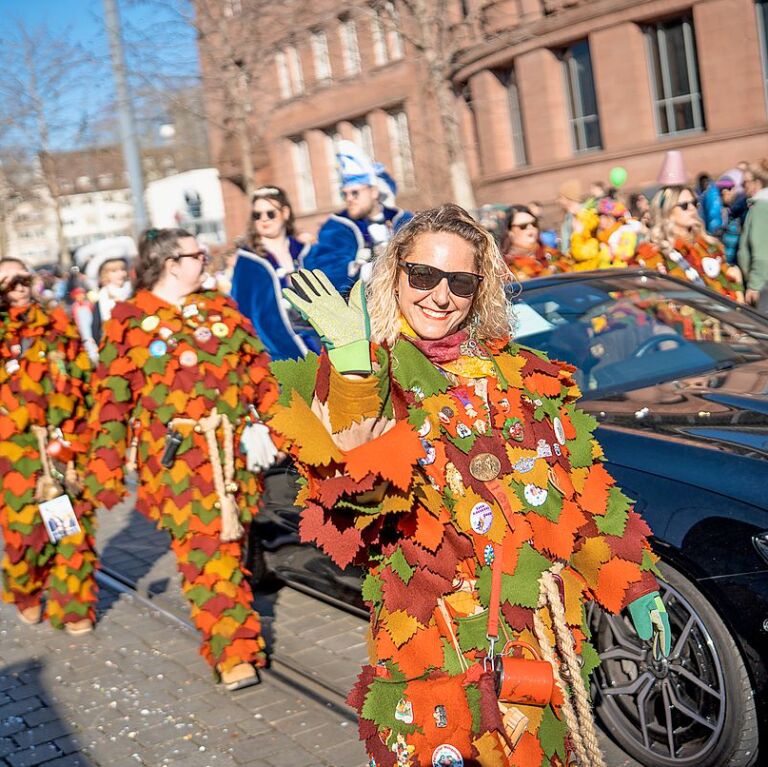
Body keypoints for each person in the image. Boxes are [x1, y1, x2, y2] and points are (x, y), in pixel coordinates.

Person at [274, 204, 671, 767]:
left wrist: (633, 583)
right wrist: (353, 369)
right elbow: (355, 496)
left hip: (527, 633)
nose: (441, 296)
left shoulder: (521, 376)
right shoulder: (361, 374)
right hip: (430, 637)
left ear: (480, 290)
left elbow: (579, 495)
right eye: (423, 276)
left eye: (461, 281)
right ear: (394, 275)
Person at [84, 228, 279, 691]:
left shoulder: (220, 308)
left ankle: (239, 640)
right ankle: (232, 653)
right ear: (171, 262)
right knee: (204, 554)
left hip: (232, 459)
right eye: (198, 254)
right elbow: (112, 402)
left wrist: (285, 424)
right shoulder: (128, 321)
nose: (206, 261)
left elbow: (259, 373)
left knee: (230, 551)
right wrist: (105, 466)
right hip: (178, 464)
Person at [0, 258, 99, 632]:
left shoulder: (56, 322)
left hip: (61, 445)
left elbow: (83, 379)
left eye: (23, 278)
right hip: (16, 450)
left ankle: (72, 608)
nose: (18, 286)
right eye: (7, 281)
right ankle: (26, 591)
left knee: (68, 531)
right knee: (26, 536)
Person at [306, 140, 412, 295]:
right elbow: (329, 275)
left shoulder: (403, 219)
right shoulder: (336, 227)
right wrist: (373, 268)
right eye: (345, 194)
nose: (349, 198)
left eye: (355, 193)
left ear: (374, 191)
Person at [231, 185, 320, 360]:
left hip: (317, 340)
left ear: (285, 213)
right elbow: (241, 310)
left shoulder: (305, 251)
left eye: (270, 213)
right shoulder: (249, 260)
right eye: (257, 215)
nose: (264, 219)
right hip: (275, 349)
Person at [633, 185, 743, 301]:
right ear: (667, 211)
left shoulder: (708, 245)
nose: (692, 209)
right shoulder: (652, 254)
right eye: (684, 206)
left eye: (694, 203)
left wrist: (736, 283)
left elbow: (730, 287)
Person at [75, 239, 135, 362]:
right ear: (104, 275)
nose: (121, 274)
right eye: (114, 271)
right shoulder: (101, 300)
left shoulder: (134, 293)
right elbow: (95, 329)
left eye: (122, 269)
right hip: (114, 352)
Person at [499, 205, 560, 281]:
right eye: (523, 226)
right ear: (510, 232)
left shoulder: (551, 254)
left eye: (534, 224)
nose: (530, 228)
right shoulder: (504, 267)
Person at [738, 163, 768, 310]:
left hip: (763, 286)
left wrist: (754, 285)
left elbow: (762, 252)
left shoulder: (761, 208)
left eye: (745, 183)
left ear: (757, 183)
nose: (743, 187)